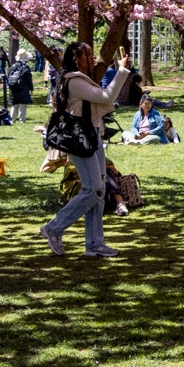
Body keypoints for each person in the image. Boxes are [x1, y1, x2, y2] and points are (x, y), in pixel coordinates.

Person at [39, 43, 131, 257]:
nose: (92, 57)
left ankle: (94, 244)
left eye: (91, 53)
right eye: (86, 54)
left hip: (93, 138)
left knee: (99, 193)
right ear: (75, 58)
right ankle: (54, 228)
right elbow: (107, 98)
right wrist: (122, 70)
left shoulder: (82, 80)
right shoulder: (75, 81)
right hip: (80, 141)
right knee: (93, 190)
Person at [7, 49, 35, 123]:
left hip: (13, 88)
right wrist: (31, 88)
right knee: (23, 105)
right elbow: (29, 79)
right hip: (23, 88)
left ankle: (12, 120)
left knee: (14, 104)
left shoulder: (12, 66)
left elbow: (9, 77)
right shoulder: (25, 67)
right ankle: (22, 120)